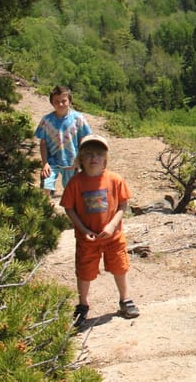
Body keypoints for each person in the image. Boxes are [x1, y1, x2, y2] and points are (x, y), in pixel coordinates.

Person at [59, 134, 140, 327]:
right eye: (88, 154)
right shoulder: (76, 182)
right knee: (84, 271)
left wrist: (112, 225)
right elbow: (69, 207)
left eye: (98, 154)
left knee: (119, 266)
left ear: (105, 158)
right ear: (81, 158)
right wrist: (82, 228)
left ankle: (125, 299)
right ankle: (83, 304)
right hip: (87, 237)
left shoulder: (114, 179)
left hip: (113, 236)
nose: (93, 158)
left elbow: (122, 204)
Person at [34, 85, 92, 197]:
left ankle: (72, 211)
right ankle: (45, 209)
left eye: (63, 101)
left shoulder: (78, 119)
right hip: (51, 162)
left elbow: (83, 140)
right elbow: (43, 143)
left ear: (70, 101)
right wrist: (45, 163)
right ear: (51, 103)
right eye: (56, 101)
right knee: (46, 185)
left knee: (71, 189)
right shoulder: (46, 121)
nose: (60, 104)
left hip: (71, 161)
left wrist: (79, 160)